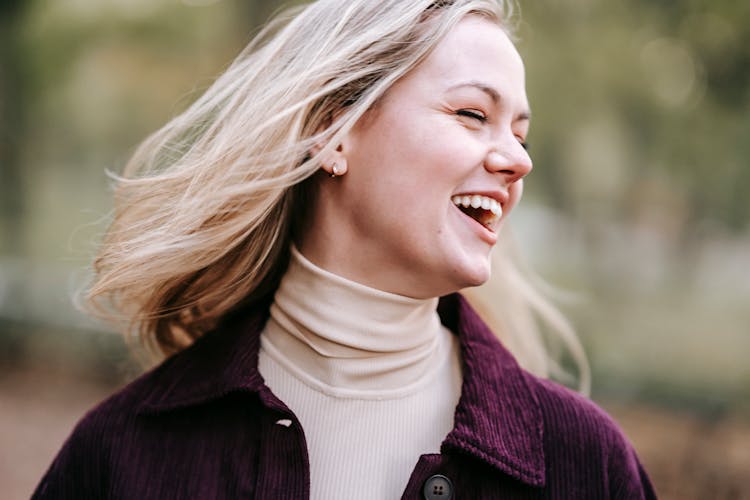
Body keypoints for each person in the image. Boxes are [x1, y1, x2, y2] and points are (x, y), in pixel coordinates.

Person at [33, 0, 657, 498]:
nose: (518, 159)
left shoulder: (586, 464)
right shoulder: (124, 452)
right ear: (330, 132)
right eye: (472, 114)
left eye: (521, 134)